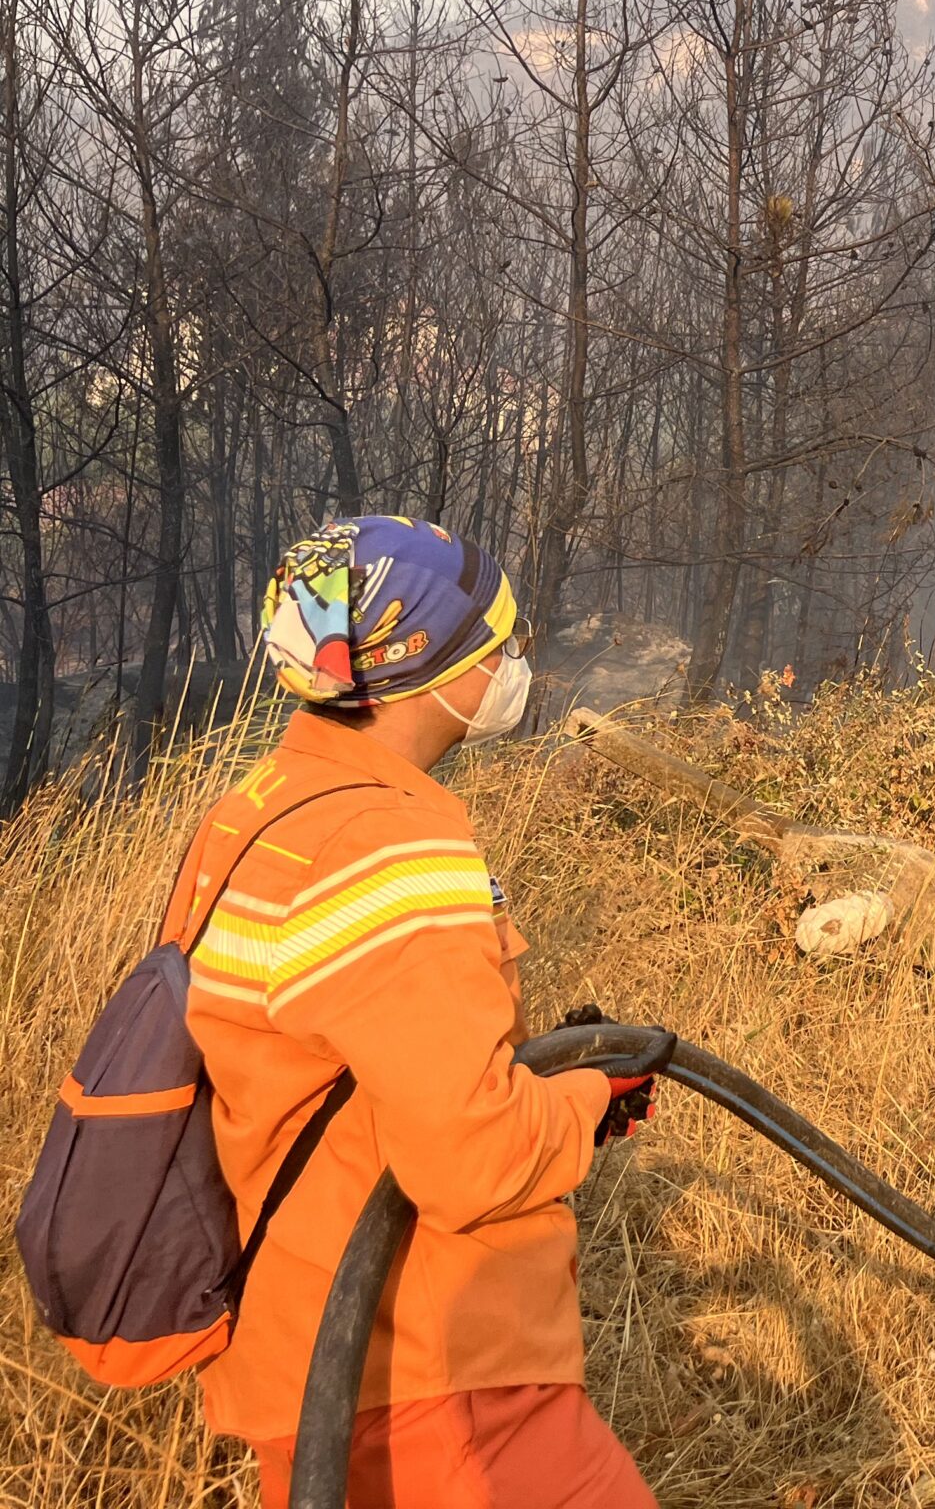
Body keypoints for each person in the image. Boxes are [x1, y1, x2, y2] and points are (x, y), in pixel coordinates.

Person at [174, 517, 657, 1507]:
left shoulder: (254, 814)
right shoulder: (391, 843)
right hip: (437, 1381)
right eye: (499, 641)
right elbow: (467, 1159)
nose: (516, 663)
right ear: (422, 660)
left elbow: (346, 1070)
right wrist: (585, 1103)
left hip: (306, 1372)